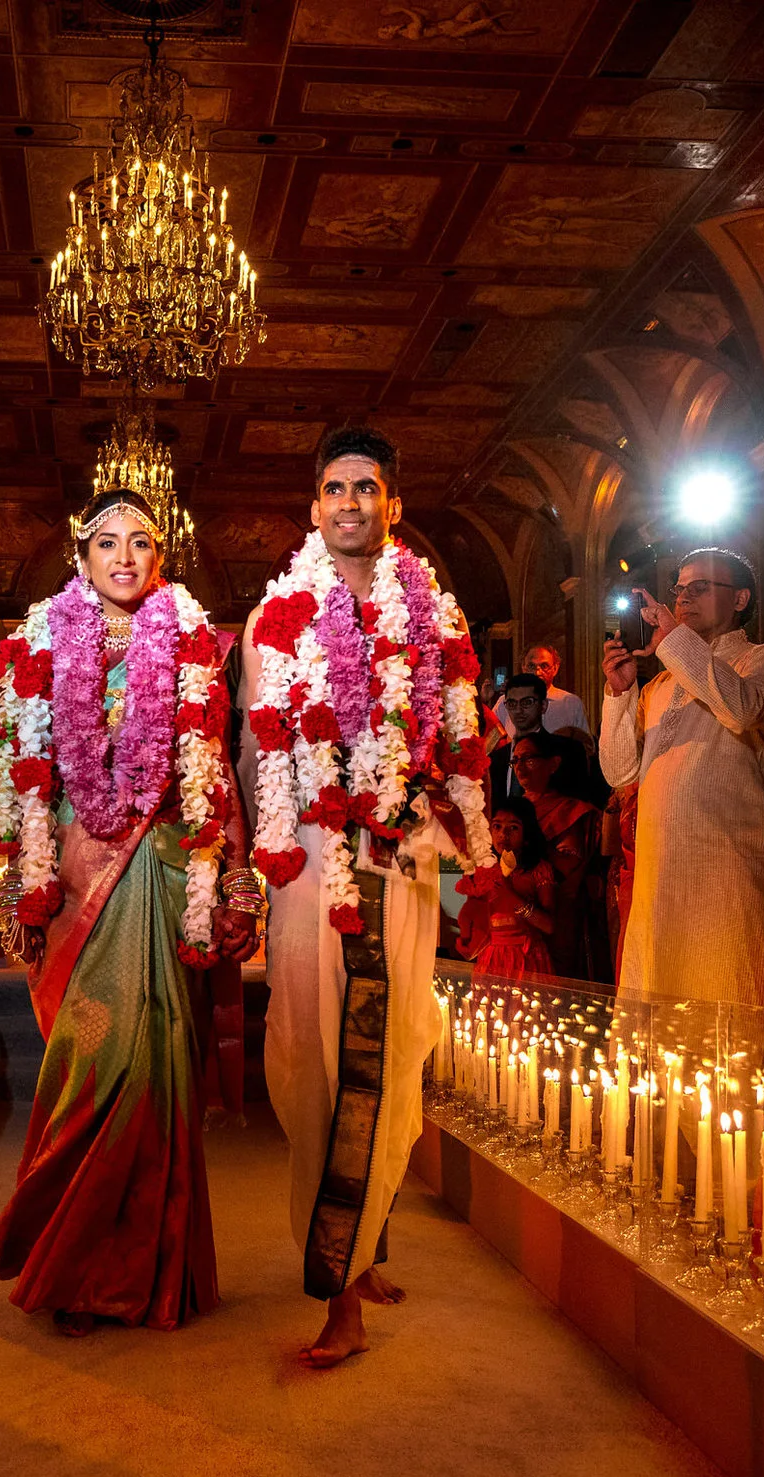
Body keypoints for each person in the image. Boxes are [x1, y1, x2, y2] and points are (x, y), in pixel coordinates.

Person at [239, 425, 495, 1367]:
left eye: (367, 489)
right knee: (317, 1059)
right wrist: (251, 862)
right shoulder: (280, 618)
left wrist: (436, 802)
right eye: (334, 489)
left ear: (394, 506)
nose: (350, 503)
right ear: (315, 507)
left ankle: (364, 1249)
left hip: (406, 857)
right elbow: (256, 759)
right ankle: (339, 1286)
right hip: (311, 861)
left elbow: (462, 738)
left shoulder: (436, 615)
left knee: (392, 1051)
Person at [0, 490, 255, 1333]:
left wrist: (229, 869)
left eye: (141, 542)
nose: (124, 557)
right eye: (107, 543)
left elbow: (208, 760)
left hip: (162, 862)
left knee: (154, 1058)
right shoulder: (36, 638)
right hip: (71, 868)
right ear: (81, 556)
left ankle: (140, 1273)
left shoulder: (195, 637)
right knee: (90, 1060)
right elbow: (23, 769)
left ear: (160, 557)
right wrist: (22, 875)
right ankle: (75, 1263)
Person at [598, 547, 764, 1008]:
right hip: (659, 876)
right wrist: (620, 694)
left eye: (700, 587)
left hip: (728, 869)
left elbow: (743, 708)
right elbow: (620, 771)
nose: (683, 598)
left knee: (731, 1002)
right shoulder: (659, 685)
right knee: (657, 1006)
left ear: (741, 598)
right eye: (679, 589)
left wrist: (671, 642)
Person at [509, 732, 603, 979]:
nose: (519, 767)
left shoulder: (570, 810)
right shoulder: (512, 809)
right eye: (515, 760)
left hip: (555, 913)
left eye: (528, 758)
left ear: (554, 764)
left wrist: (533, 843)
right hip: (512, 915)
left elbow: (568, 867)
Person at [454, 802, 557, 981]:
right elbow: (473, 917)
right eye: (497, 826)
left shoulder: (538, 870)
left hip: (527, 959)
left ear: (527, 835)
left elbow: (549, 926)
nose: (503, 834)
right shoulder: (482, 869)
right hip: (491, 958)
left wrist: (512, 897)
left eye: (513, 828)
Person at [492, 642, 589, 738]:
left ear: (555, 668)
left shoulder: (571, 703)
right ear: (523, 667)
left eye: (544, 666)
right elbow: (490, 742)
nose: (537, 672)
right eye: (531, 666)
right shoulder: (505, 703)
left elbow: (586, 746)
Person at [488, 671, 549, 805]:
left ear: (543, 705)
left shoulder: (564, 751)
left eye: (527, 702)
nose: (518, 710)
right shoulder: (497, 759)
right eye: (512, 704)